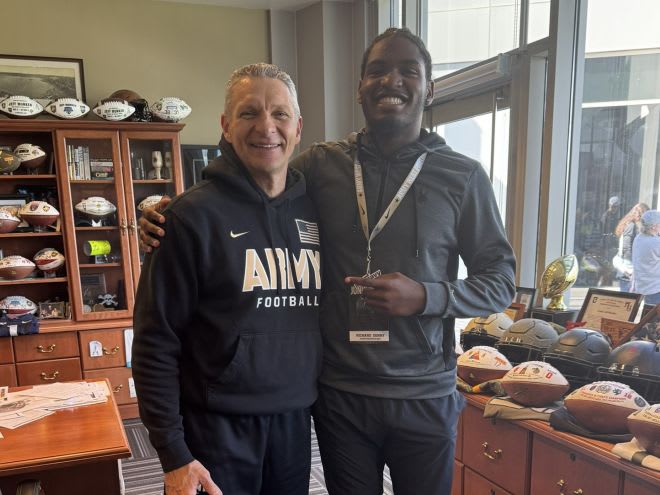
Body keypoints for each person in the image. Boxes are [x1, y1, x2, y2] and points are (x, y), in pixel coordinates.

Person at [140, 28, 516, 495]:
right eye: (377, 71)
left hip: (423, 394)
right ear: (360, 88)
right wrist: (166, 214)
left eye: (407, 71)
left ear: (430, 88)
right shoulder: (322, 166)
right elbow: (254, 172)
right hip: (340, 395)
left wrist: (426, 296)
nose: (390, 81)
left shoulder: (463, 177)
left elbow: (501, 282)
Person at [132, 63, 323, 495]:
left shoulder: (318, 210)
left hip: (294, 426)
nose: (266, 128)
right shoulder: (187, 217)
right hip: (215, 429)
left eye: (280, 114)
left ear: (298, 127)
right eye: (249, 113)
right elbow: (153, 341)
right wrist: (173, 453)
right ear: (225, 124)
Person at [613, 202, 649, 292]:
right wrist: (633, 266)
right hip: (628, 267)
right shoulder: (631, 226)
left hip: (627, 266)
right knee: (629, 297)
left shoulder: (629, 224)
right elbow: (627, 248)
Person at [631, 209, 660, 305]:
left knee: (648, 317)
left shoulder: (638, 239)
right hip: (656, 290)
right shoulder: (655, 242)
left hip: (644, 288)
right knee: (652, 319)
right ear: (654, 226)